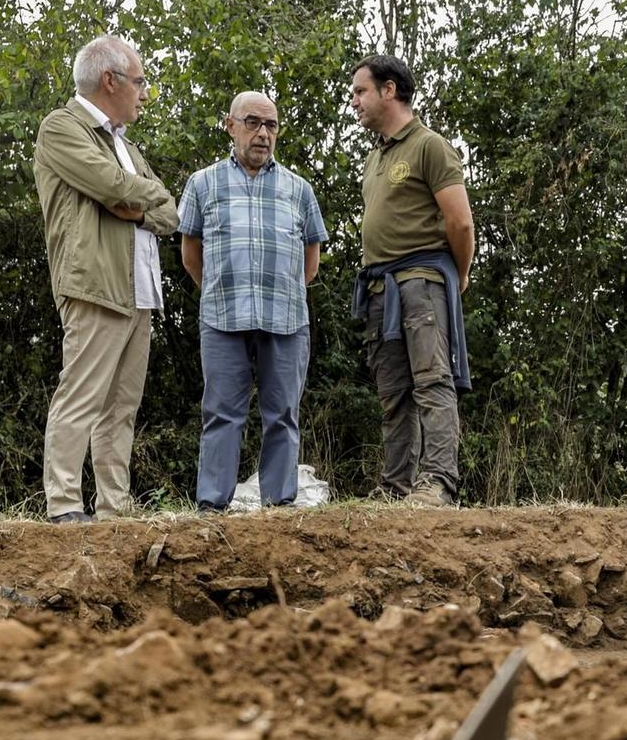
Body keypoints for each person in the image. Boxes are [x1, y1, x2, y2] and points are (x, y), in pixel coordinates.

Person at [32, 34, 178, 523]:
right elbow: (109, 184)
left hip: (140, 290)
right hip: (95, 283)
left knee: (121, 409)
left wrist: (134, 210)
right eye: (139, 81)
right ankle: (65, 505)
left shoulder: (126, 146)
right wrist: (141, 196)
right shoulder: (61, 128)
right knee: (82, 395)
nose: (143, 91)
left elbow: (169, 215)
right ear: (110, 80)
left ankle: (114, 508)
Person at [178, 91, 327, 511]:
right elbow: (190, 253)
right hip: (222, 318)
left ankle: (279, 506)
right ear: (230, 125)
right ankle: (212, 508)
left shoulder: (299, 189)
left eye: (271, 125)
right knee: (222, 414)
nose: (262, 133)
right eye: (252, 123)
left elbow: (310, 261)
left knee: (282, 415)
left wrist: (285, 292)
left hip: (286, 319)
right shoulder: (203, 183)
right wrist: (220, 290)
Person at [348, 54, 474, 507]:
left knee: (432, 380)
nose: (355, 103)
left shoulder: (429, 145)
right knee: (394, 392)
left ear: (388, 90)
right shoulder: (375, 156)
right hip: (382, 289)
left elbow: (460, 223)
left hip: (422, 281)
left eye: (361, 92)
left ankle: (438, 482)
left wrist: (455, 277)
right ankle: (397, 484)